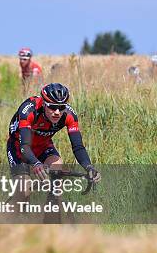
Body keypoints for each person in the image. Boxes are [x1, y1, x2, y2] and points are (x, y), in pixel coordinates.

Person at [6, 83, 101, 221]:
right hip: (19, 147)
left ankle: (50, 224)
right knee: (24, 191)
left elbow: (78, 147)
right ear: (44, 104)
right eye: (52, 107)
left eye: (61, 107)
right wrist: (36, 164)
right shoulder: (28, 110)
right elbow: (25, 147)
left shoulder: (69, 115)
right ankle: (3, 223)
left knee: (57, 173)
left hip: (43, 146)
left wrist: (89, 167)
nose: (57, 112)